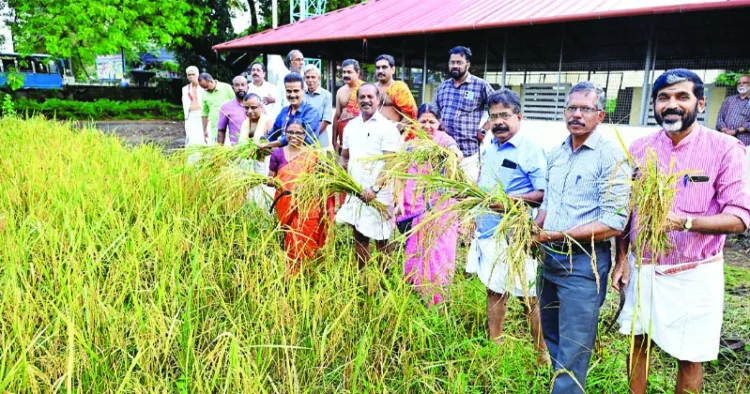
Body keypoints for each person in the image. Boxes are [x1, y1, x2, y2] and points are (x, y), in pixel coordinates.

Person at [612, 69, 750, 394]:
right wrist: (621, 259)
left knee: (690, 356)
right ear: (655, 105)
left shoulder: (725, 149)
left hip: (693, 272)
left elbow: (740, 217)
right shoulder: (641, 147)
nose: (671, 104)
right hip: (643, 267)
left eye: (681, 96)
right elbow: (627, 210)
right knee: (638, 343)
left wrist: (683, 221)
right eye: (664, 98)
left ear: (700, 103)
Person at [533, 81, 631, 394]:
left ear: (600, 115)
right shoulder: (557, 153)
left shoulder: (611, 156)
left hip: (583, 265)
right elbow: (548, 204)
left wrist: (553, 235)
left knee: (574, 350)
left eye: (585, 109)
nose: (576, 114)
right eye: (571, 108)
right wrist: (534, 230)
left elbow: (614, 222)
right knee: (554, 339)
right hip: (548, 260)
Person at [464, 89, 548, 364]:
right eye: (493, 116)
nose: (498, 121)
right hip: (488, 232)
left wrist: (509, 201)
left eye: (504, 115)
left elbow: (543, 193)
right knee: (494, 289)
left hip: (518, 236)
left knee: (530, 297)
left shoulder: (531, 149)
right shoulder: (491, 146)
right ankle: (495, 346)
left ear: (519, 117)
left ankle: (541, 356)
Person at [396, 103, 463, 305]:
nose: (427, 126)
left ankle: (436, 297)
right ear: (416, 122)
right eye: (423, 121)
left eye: (431, 122)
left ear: (439, 122)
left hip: (440, 207)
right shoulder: (410, 145)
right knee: (416, 248)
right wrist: (399, 201)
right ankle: (416, 292)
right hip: (415, 206)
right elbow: (399, 175)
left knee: (438, 250)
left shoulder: (445, 141)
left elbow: (457, 155)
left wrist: (450, 155)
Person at [336, 83, 400, 268]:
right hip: (356, 190)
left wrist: (375, 188)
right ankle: (362, 278)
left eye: (370, 97)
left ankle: (383, 282)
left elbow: (391, 163)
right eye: (362, 97)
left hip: (379, 193)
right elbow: (344, 156)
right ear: (357, 101)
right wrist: (341, 178)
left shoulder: (388, 127)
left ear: (378, 100)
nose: (366, 100)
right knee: (359, 235)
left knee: (381, 239)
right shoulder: (350, 127)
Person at [268, 119, 332, 273]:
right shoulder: (277, 154)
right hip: (284, 203)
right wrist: (277, 183)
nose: (294, 136)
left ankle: (307, 272)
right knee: (289, 238)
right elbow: (269, 179)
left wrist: (307, 186)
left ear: (305, 135)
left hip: (307, 205)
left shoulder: (313, 155)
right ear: (285, 133)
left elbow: (323, 179)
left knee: (306, 238)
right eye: (290, 132)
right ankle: (291, 273)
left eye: (298, 133)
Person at [435, 46, 494, 181]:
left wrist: (484, 130)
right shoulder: (443, 87)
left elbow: (498, 109)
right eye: (452, 62)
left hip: (468, 151)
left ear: (468, 64)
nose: (455, 66)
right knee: (443, 192)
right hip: (444, 153)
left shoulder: (480, 85)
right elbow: (436, 114)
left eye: (459, 62)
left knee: (466, 193)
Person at [260, 73, 321, 149]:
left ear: (303, 90)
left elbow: (295, 136)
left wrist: (268, 145)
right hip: (285, 157)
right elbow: (272, 134)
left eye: (296, 91)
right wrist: (262, 141)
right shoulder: (284, 111)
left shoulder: (312, 112)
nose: (292, 95)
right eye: (289, 91)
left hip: (306, 157)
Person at [239, 93, 275, 209]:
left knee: (264, 200)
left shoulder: (268, 122)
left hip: (264, 169)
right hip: (248, 169)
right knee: (249, 202)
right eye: (246, 108)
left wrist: (261, 149)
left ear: (261, 106)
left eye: (253, 107)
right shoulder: (245, 123)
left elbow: (276, 148)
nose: (249, 111)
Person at [374, 54, 417, 129]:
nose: (380, 70)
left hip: (393, 134)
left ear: (393, 69)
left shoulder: (399, 88)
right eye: (378, 68)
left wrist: (395, 132)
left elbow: (408, 116)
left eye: (384, 67)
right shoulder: (371, 88)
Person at [716, 74, 750, 170]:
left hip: (744, 142)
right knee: (724, 167)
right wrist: (724, 129)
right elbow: (720, 117)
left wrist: (736, 131)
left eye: (744, 82)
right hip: (725, 140)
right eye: (739, 83)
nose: (741, 85)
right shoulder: (729, 100)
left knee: (741, 168)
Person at [332, 59, 364, 154]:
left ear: (357, 73)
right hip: (343, 135)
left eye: (349, 72)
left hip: (359, 136)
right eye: (344, 72)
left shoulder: (364, 89)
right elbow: (337, 116)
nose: (345, 75)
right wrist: (334, 140)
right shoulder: (340, 91)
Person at [199, 73, 235, 144]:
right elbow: (204, 113)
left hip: (229, 128)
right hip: (215, 129)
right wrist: (204, 130)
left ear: (211, 81)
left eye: (206, 87)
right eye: (203, 88)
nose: (205, 90)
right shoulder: (204, 94)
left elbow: (236, 103)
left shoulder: (226, 87)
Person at [304, 64, 334, 148]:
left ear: (319, 78)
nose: (310, 80)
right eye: (308, 77)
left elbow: (326, 120)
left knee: (320, 160)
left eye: (313, 77)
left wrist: (311, 137)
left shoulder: (326, 95)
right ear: (304, 78)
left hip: (320, 138)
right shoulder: (301, 94)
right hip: (302, 138)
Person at [217, 76, 248, 146]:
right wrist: (219, 150)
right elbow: (221, 130)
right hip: (235, 149)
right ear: (233, 88)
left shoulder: (257, 105)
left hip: (256, 148)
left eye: (243, 85)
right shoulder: (225, 107)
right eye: (237, 85)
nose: (240, 88)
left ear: (247, 87)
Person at [181, 66, 207, 148]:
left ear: (198, 74)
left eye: (193, 74)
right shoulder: (185, 89)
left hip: (203, 115)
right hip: (191, 116)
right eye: (189, 75)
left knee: (204, 137)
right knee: (191, 138)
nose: (191, 76)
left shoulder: (204, 88)